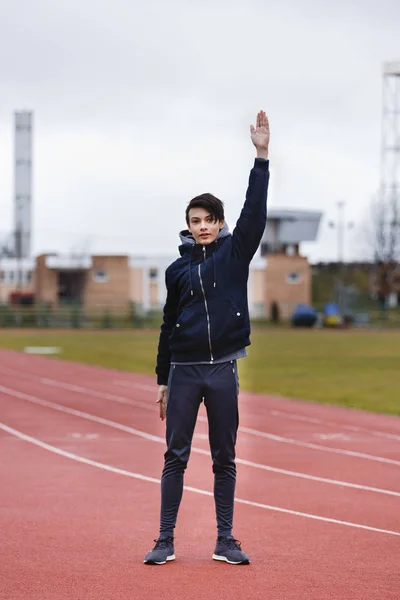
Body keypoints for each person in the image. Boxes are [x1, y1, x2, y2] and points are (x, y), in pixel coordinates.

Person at [144, 110, 270, 565]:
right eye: (195, 219)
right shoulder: (177, 271)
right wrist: (162, 379)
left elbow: (253, 214)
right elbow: (167, 325)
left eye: (208, 219)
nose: (201, 225)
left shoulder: (235, 256)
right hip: (183, 371)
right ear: (189, 224)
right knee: (175, 455)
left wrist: (261, 157)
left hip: (223, 370)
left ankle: (225, 540)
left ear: (218, 223)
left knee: (225, 458)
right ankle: (164, 539)